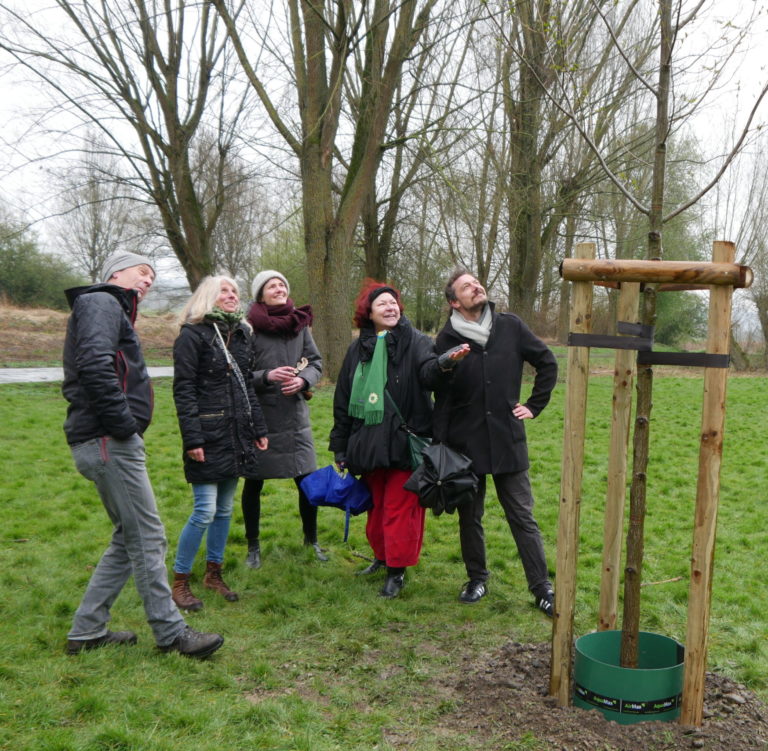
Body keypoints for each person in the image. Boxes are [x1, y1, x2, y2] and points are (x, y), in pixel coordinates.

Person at [62, 251, 224, 659]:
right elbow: (95, 366)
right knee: (149, 535)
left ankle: (87, 631)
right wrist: (124, 426)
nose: (148, 280)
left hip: (103, 439)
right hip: (107, 440)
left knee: (127, 537)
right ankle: (172, 634)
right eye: (142, 272)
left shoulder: (107, 307)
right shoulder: (100, 301)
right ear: (115, 272)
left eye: (153, 276)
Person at [432, 269, 558, 615]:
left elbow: (547, 362)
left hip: (506, 439)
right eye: (467, 286)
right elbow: (439, 394)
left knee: (522, 515)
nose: (477, 286)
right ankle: (477, 579)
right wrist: (439, 444)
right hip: (464, 444)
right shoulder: (446, 340)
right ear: (455, 302)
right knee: (469, 516)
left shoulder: (510, 326)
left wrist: (533, 406)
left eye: (476, 282)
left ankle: (542, 587)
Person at [329, 279, 454, 599]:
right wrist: (341, 445)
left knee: (401, 510)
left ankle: (396, 572)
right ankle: (382, 557)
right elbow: (343, 398)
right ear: (368, 313)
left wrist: (441, 365)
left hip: (405, 440)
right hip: (367, 442)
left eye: (393, 302)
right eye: (382, 303)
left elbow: (427, 374)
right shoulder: (358, 349)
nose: (390, 307)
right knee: (377, 508)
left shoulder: (417, 342)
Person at [171, 276, 269, 610]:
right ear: (208, 298)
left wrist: (258, 427)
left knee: (225, 509)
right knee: (204, 510)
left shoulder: (241, 334)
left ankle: (214, 573)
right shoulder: (192, 335)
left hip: (237, 434)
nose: (231, 296)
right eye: (224, 291)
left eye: (234, 292)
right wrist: (192, 437)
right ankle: (180, 581)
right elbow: (183, 389)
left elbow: (246, 388)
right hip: (207, 434)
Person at [240, 270, 325, 568]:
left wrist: (303, 381)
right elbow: (236, 373)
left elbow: (316, 362)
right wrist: (266, 376)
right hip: (260, 417)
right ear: (260, 294)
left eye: (282, 285)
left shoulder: (299, 325)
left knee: (308, 480)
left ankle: (311, 541)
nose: (278, 288)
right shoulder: (247, 328)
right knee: (253, 482)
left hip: (294, 416)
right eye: (271, 285)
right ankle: (253, 547)